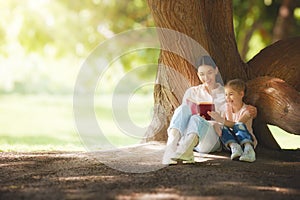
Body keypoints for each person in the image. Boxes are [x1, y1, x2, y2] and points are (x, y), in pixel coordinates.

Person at [163, 56, 238, 165]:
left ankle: (186, 151)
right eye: (202, 74)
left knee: (196, 119)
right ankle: (170, 149)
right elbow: (182, 118)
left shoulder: (225, 93)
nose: (206, 77)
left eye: (209, 73)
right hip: (189, 135)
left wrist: (215, 122)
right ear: (198, 74)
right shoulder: (192, 92)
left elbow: (234, 117)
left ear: (216, 70)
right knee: (183, 109)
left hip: (212, 137)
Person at [208, 79, 257, 162]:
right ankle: (235, 148)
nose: (227, 98)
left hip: (246, 139)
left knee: (238, 125)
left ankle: (249, 151)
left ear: (241, 94)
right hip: (231, 140)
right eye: (226, 95)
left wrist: (221, 120)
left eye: (231, 94)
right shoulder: (226, 108)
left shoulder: (247, 110)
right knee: (222, 127)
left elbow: (237, 124)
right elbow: (221, 123)